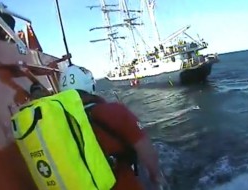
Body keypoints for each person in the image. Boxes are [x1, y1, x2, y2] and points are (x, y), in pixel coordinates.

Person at [30, 65, 162, 189]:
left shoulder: (53, 122)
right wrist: (155, 176)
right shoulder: (114, 112)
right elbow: (147, 153)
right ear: (91, 86)